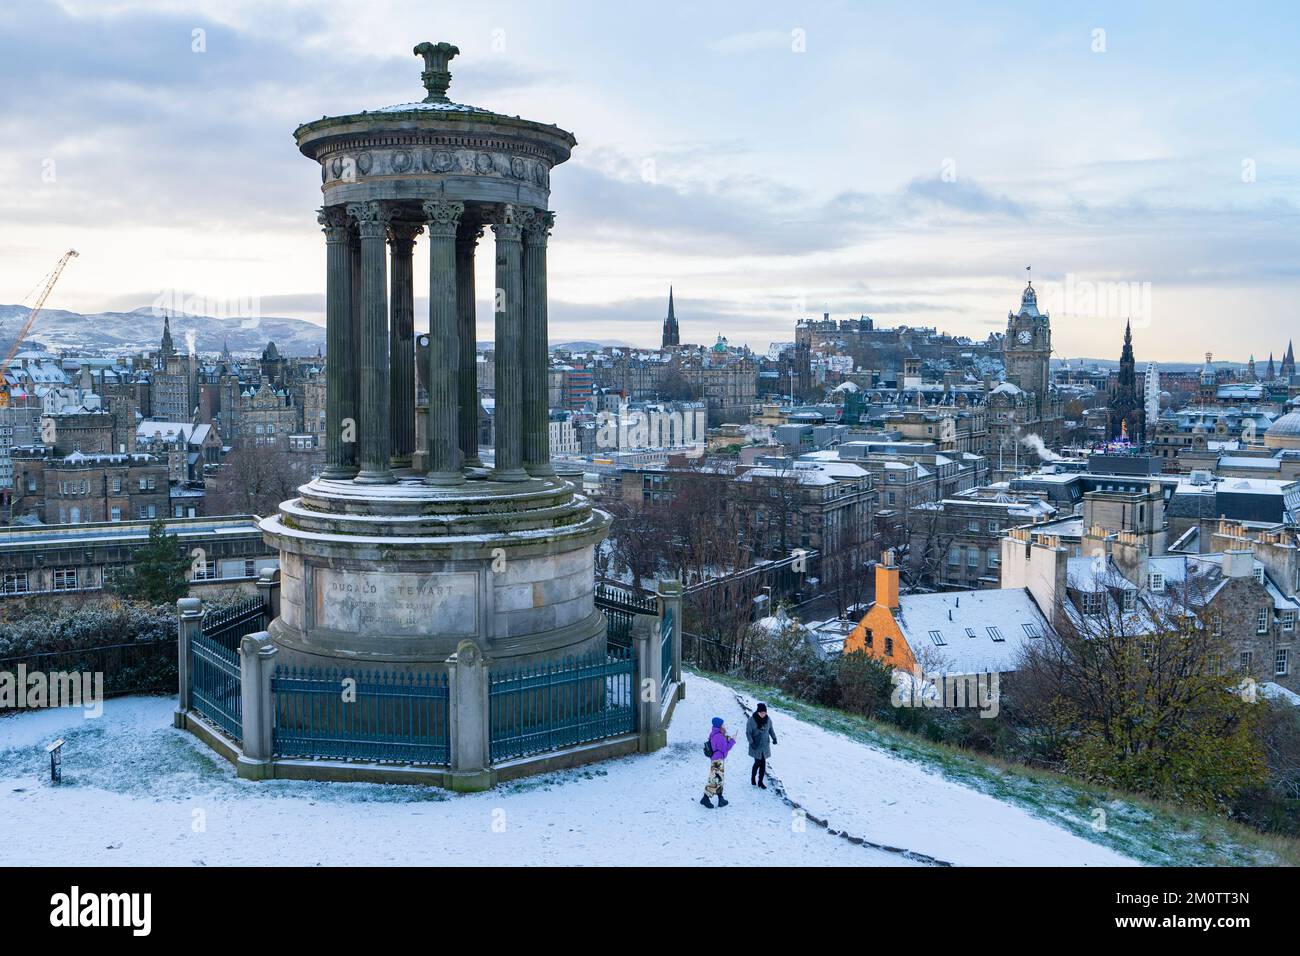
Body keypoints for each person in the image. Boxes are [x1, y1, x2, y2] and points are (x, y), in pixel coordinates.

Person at [700, 717, 735, 809]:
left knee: (718, 779)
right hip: (718, 760)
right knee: (715, 780)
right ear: (719, 725)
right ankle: (705, 798)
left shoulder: (715, 733)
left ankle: (720, 799)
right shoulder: (718, 736)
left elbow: (720, 745)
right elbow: (725, 748)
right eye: (723, 724)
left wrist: (726, 738)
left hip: (716, 759)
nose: (724, 725)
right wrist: (733, 740)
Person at [746, 702, 778, 789]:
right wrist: (751, 742)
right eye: (762, 713)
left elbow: (771, 729)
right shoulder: (751, 720)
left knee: (763, 764)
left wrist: (774, 738)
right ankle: (753, 778)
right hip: (756, 745)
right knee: (757, 763)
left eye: (765, 713)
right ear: (758, 712)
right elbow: (748, 733)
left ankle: (760, 781)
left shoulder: (768, 720)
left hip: (765, 745)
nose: (763, 715)